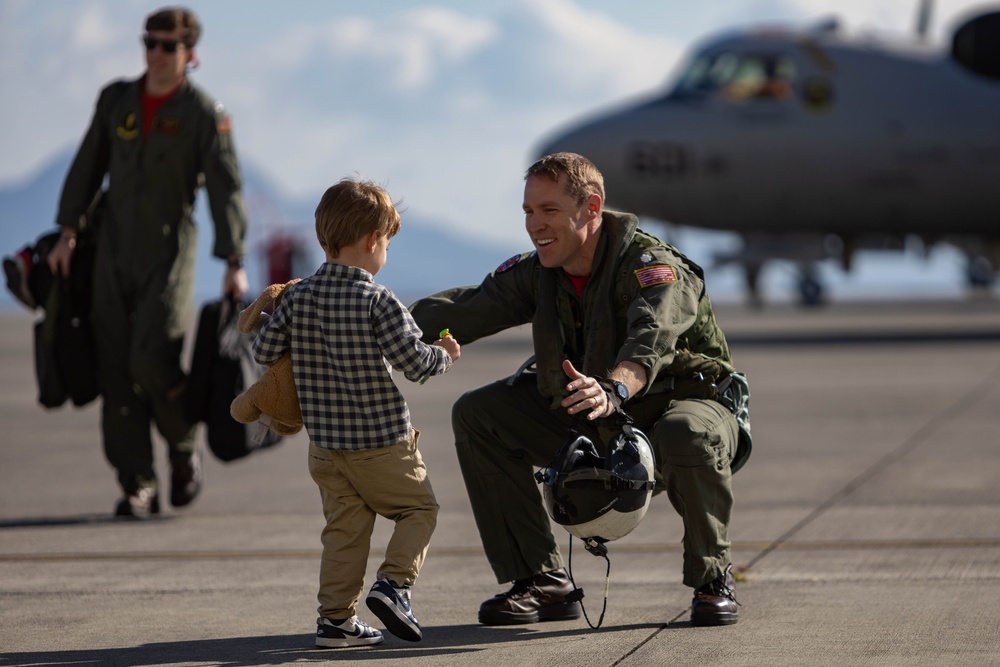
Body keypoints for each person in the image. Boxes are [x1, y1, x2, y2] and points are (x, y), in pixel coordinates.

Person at [409, 152, 751, 628]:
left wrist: (614, 388)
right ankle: (541, 580)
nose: (534, 224)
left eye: (549, 211)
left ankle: (713, 579)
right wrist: (362, 322)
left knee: (687, 431)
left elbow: (648, 341)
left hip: (678, 405)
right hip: (595, 411)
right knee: (478, 413)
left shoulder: (653, 268)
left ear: (591, 209)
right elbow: (466, 309)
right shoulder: (540, 272)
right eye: (528, 211)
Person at [46, 7, 249, 518]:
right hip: (111, 248)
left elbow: (225, 186)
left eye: (167, 46)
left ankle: (182, 450)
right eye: (149, 42)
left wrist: (233, 258)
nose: (155, 53)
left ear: (190, 55)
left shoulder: (205, 114)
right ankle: (138, 483)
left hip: (169, 249)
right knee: (114, 367)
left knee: (150, 359)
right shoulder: (117, 100)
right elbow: (89, 162)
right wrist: (68, 233)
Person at [252, 178, 460, 648]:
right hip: (383, 443)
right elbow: (415, 364)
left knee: (344, 531)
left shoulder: (298, 296)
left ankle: (335, 621)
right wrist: (445, 353)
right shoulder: (378, 299)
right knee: (418, 510)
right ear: (372, 241)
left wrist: (275, 314)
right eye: (386, 241)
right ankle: (394, 584)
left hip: (325, 448)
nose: (385, 251)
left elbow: (265, 350)